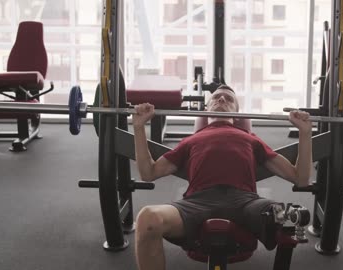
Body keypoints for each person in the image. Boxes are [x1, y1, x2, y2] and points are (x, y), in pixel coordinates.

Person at [132, 85, 312, 270]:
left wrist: (305, 133)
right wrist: (138, 127)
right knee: (147, 219)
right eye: (217, 97)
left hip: (246, 202)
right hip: (196, 202)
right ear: (206, 108)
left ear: (236, 112)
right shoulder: (190, 140)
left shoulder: (251, 139)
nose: (222, 99)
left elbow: (301, 178)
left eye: (229, 98)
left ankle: (287, 221)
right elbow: (149, 173)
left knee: (284, 216)